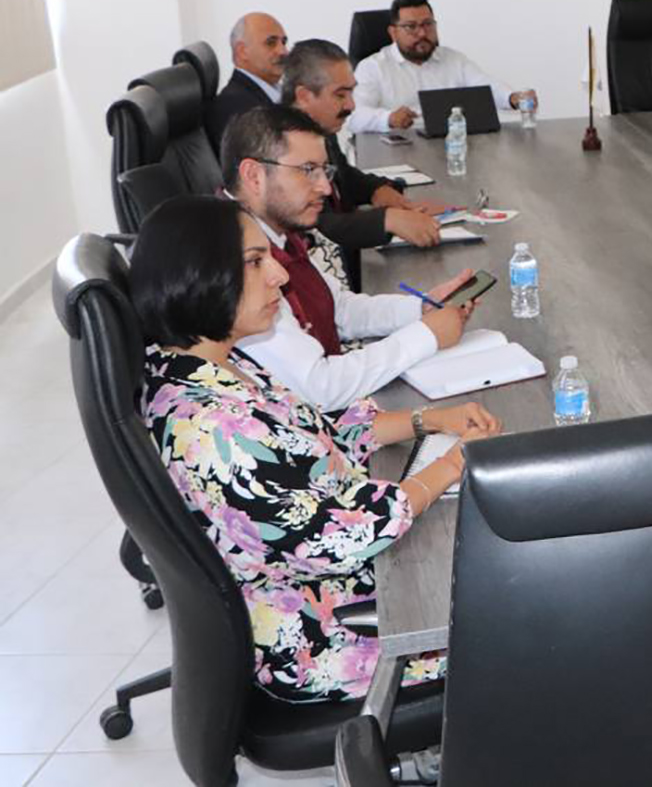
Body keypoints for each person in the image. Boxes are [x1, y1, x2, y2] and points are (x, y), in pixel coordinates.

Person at [132, 194, 502, 703]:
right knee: (530, 613)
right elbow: (338, 538)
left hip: (336, 579)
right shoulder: (214, 428)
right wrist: (451, 465)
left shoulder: (211, 364)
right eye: (255, 262)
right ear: (198, 276)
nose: (279, 276)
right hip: (324, 633)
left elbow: (316, 435)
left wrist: (427, 420)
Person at [221, 104, 474, 413]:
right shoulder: (234, 261)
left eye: (324, 171)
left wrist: (420, 308)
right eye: (308, 170)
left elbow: (338, 309)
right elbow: (320, 388)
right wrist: (426, 336)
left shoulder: (275, 230)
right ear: (254, 176)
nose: (325, 188)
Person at [283, 38, 453, 252]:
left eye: (351, 93)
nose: (351, 105)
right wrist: (388, 220)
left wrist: (377, 189)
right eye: (340, 95)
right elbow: (318, 224)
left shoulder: (319, 130)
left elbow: (344, 176)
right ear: (304, 96)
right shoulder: (283, 149)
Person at [350, 0, 537, 134]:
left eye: (427, 24)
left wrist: (512, 98)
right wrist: (388, 118)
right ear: (393, 32)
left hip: (449, 145)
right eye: (411, 27)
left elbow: (485, 87)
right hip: (398, 150)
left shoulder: (454, 59)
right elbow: (354, 116)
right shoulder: (372, 67)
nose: (422, 33)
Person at [206, 12, 289, 151]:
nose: (283, 51)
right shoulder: (236, 107)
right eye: (271, 43)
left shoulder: (280, 92)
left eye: (283, 42)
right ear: (242, 51)